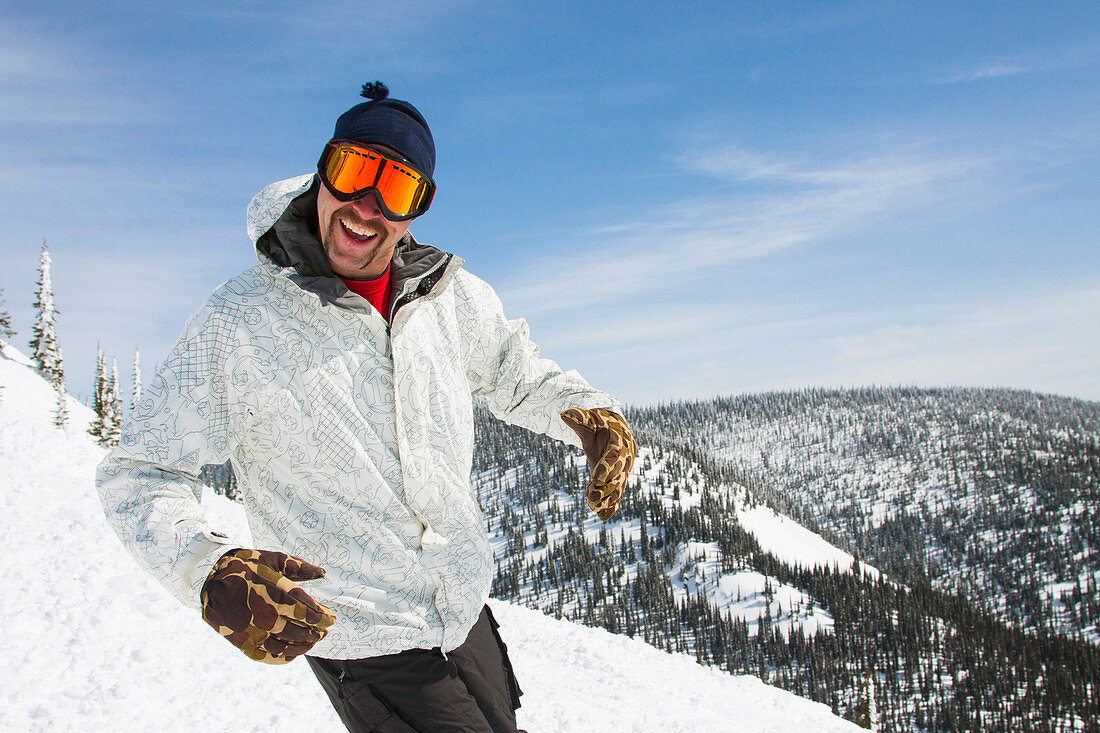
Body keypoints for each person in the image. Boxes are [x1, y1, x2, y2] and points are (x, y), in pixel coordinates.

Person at [96, 81, 636, 733]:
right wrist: (206, 569)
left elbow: (517, 374)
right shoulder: (239, 322)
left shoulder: (447, 296)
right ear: (323, 173)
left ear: (417, 209)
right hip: (361, 630)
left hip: (457, 600)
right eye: (353, 171)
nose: (366, 204)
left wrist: (589, 415)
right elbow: (141, 475)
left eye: (397, 188)